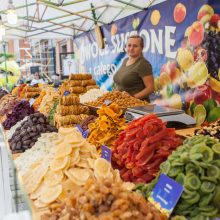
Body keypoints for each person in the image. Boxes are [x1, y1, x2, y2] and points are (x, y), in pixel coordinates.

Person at [113, 35, 154, 101]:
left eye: (135, 46)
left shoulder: (143, 64)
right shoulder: (125, 61)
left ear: (141, 48)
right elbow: (120, 83)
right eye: (129, 45)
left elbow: (150, 88)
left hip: (138, 107)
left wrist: (132, 98)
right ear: (126, 47)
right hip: (122, 103)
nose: (131, 48)